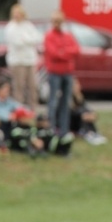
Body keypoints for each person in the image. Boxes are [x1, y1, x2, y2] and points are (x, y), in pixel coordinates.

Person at [43, 10, 79, 138]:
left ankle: (64, 130)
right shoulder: (49, 36)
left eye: (59, 21)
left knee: (66, 102)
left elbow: (76, 50)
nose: (56, 24)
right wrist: (65, 53)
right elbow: (53, 53)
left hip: (68, 72)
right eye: (54, 21)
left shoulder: (68, 35)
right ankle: (51, 129)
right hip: (54, 73)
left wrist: (63, 52)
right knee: (53, 102)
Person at [4, 4, 42, 112]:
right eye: (15, 13)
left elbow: (38, 38)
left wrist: (26, 40)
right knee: (19, 87)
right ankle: (19, 110)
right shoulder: (10, 27)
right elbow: (17, 43)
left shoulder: (28, 25)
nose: (17, 16)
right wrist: (29, 40)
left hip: (30, 60)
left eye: (19, 13)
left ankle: (33, 109)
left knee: (33, 86)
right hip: (17, 61)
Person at [69, 78, 107, 145]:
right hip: (72, 122)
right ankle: (88, 133)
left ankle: (93, 133)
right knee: (83, 116)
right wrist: (82, 115)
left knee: (87, 114)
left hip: (80, 117)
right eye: (75, 85)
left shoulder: (79, 97)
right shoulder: (67, 99)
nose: (78, 87)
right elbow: (71, 113)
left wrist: (92, 114)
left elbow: (86, 108)